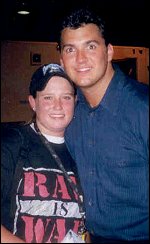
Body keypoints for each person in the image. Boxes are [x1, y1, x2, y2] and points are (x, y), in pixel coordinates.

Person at [57, 8, 149, 243]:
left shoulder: (143, 109)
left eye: (90, 46)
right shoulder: (70, 117)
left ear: (109, 51)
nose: (80, 59)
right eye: (70, 49)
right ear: (61, 60)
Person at [1, 63, 87, 243]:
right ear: (33, 102)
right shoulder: (11, 144)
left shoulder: (84, 150)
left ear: (75, 101)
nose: (58, 106)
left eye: (66, 97)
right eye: (48, 97)